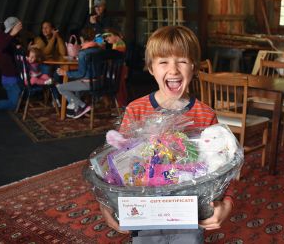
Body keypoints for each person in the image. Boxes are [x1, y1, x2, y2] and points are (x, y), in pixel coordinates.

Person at [99, 26, 235, 240]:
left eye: (182, 61)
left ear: (194, 67)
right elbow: (116, 164)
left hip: (191, 214)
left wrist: (226, 204)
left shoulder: (205, 115)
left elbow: (224, 165)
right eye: (163, 62)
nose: (173, 70)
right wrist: (107, 206)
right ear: (151, 68)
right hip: (144, 212)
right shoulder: (136, 110)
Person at [55, 27, 102, 119]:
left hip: (89, 84)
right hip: (100, 82)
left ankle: (82, 105)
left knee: (61, 87)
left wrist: (65, 73)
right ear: (93, 37)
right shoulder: (99, 50)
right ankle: (77, 109)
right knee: (76, 83)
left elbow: (81, 73)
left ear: (81, 38)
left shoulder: (83, 53)